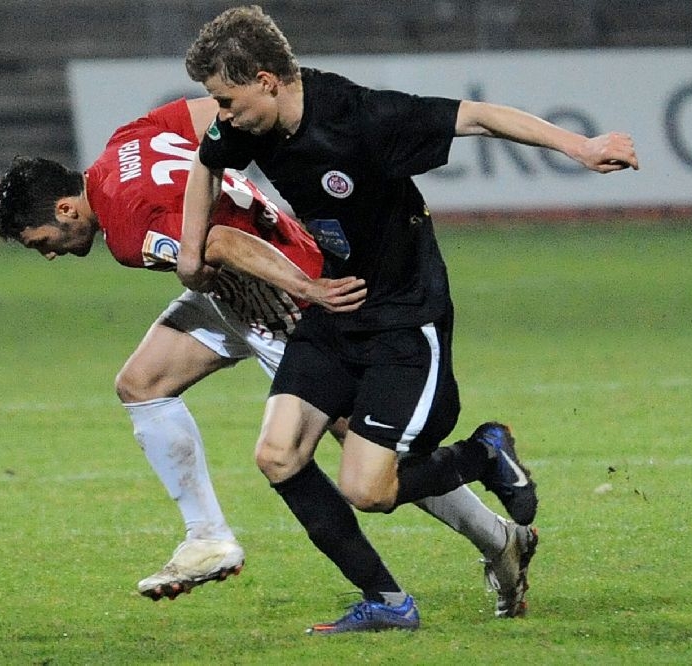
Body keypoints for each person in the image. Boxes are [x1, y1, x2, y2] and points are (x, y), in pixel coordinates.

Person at [182, 5, 638, 633]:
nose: (221, 115)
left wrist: (580, 146)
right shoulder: (246, 126)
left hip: (403, 320)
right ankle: (389, 603)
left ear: (266, 79)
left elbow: (477, 117)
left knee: (368, 491)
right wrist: (188, 252)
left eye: (227, 100)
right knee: (278, 457)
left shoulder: (361, 116)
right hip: (334, 309)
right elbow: (205, 164)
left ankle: (483, 453)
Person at [0, 96, 538, 617]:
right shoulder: (127, 142)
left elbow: (224, 242)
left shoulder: (129, 233)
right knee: (140, 383)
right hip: (234, 295)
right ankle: (207, 537)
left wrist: (307, 286)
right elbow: (220, 114)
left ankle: (498, 536)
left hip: (285, 300)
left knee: (366, 460)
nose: (48, 254)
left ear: (65, 208)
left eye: (42, 241)